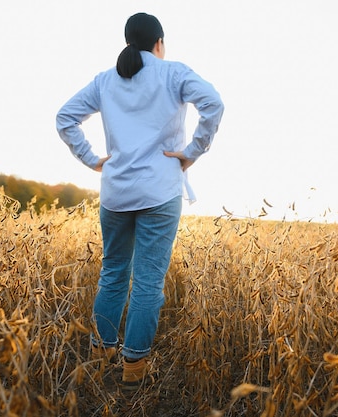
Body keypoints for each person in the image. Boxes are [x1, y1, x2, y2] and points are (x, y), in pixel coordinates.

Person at [56, 12, 224, 391]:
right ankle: (133, 371)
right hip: (159, 192)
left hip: (116, 194)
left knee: (113, 275)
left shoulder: (105, 80)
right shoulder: (173, 73)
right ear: (159, 43)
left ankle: (101, 358)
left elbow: (65, 118)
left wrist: (93, 159)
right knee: (148, 282)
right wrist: (191, 152)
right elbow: (213, 104)